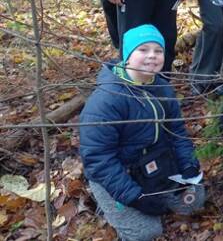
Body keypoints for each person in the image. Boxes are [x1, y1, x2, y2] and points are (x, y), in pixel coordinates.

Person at [79, 24, 205, 241]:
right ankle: (108, 204)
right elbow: (98, 159)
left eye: (158, 51)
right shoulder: (106, 100)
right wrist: (135, 197)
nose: (152, 56)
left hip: (153, 163)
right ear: (127, 55)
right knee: (146, 232)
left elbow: (177, 132)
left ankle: (150, 196)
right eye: (143, 50)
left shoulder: (162, 87)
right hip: (118, 172)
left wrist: (188, 164)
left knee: (194, 201)